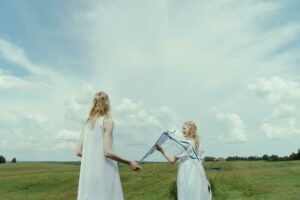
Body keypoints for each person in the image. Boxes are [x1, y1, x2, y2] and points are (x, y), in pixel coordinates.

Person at [76, 91, 141, 200]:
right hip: (105, 172)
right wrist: (129, 162)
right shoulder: (108, 122)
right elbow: (107, 152)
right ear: (107, 104)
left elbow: (78, 151)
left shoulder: (86, 124)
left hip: (88, 175)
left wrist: (94, 159)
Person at [156, 121, 212, 200]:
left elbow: (172, 161)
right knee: (196, 194)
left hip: (187, 174)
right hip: (197, 174)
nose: (182, 130)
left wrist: (162, 151)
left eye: (184, 128)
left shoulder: (185, 144)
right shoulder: (196, 144)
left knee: (187, 193)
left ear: (191, 129)